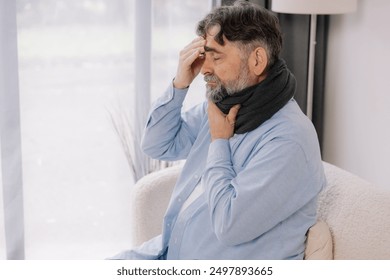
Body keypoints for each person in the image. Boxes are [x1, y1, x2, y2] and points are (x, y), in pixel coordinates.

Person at [111, 1, 326, 260]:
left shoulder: (290, 140)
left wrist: (219, 142)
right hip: (167, 253)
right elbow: (157, 145)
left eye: (216, 56)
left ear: (257, 60)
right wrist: (180, 84)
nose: (205, 68)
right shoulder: (224, 105)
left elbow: (229, 224)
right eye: (205, 55)